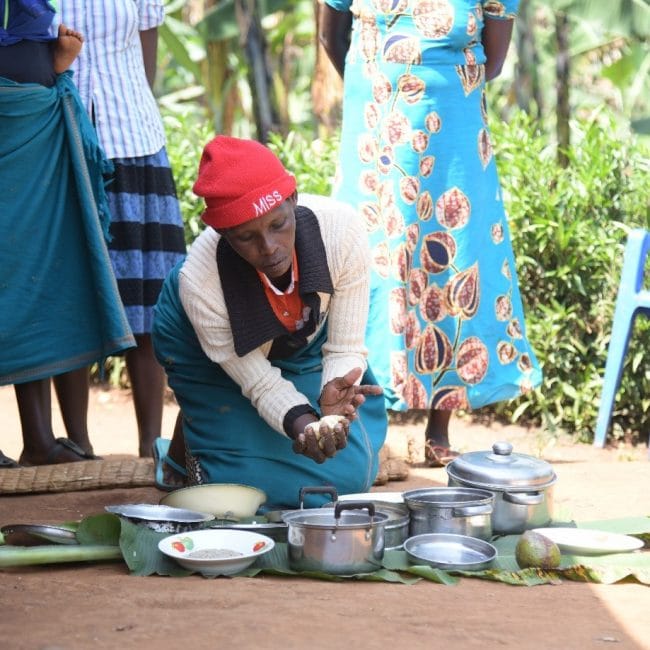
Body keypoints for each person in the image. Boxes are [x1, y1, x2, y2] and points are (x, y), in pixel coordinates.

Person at [319, 0, 542, 466]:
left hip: (453, 138)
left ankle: (439, 424)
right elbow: (331, 38)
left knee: (453, 258)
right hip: (375, 128)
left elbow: (492, 61)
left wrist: (428, 83)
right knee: (371, 263)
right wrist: (384, 85)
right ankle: (361, 423)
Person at [150, 136, 388, 508]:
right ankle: (198, 433)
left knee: (352, 476)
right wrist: (302, 423)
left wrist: (326, 409)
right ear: (223, 234)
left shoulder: (342, 233)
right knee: (238, 496)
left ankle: (205, 419)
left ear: (293, 199)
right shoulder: (201, 284)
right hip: (196, 341)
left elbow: (343, 346)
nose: (269, 247)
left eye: (278, 224)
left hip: (292, 337)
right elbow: (260, 383)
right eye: (246, 237)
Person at [0, 0, 135, 467]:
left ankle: (39, 439)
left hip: (34, 115)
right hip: (17, 117)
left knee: (32, 273)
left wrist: (55, 61)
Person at [58, 0, 187, 458]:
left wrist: (129, 115)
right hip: (61, 140)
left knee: (150, 300)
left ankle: (150, 445)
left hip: (134, 135)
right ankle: (78, 445)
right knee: (70, 295)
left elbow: (145, 58)